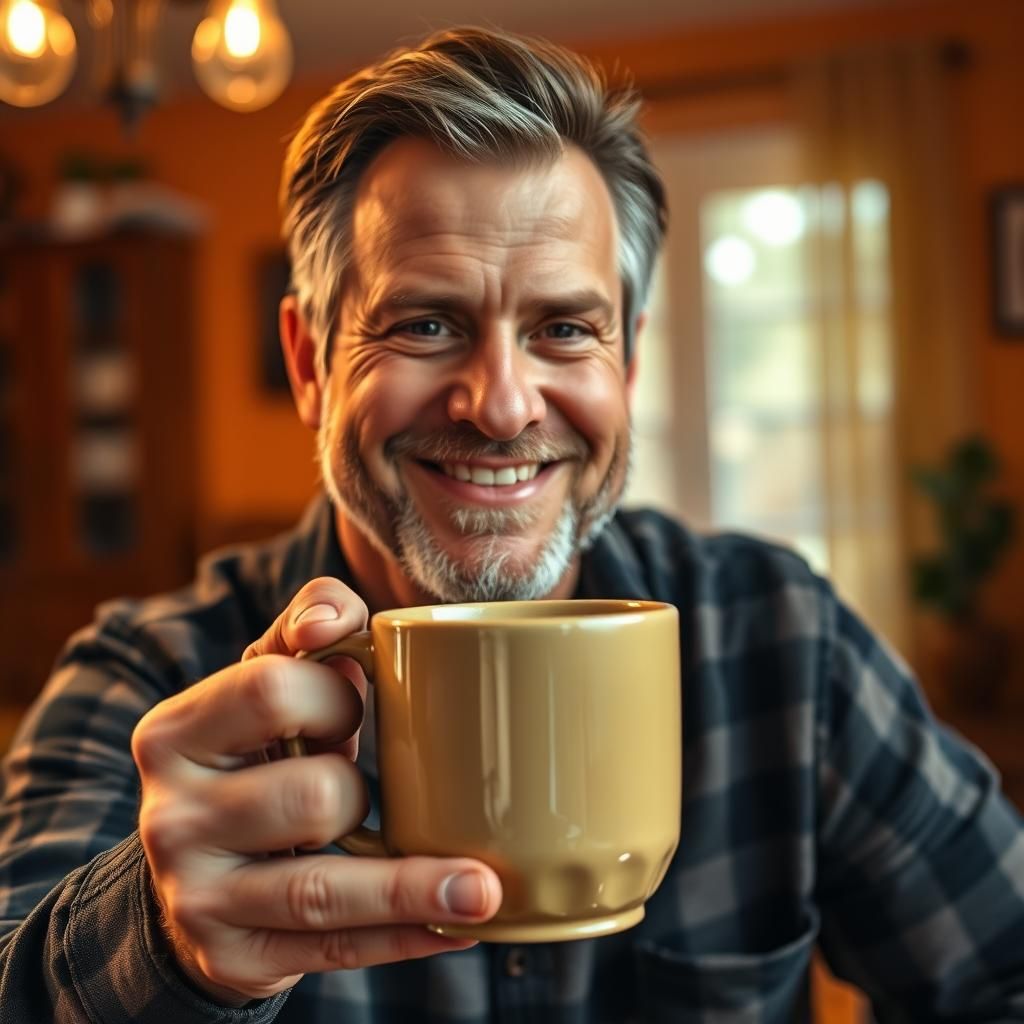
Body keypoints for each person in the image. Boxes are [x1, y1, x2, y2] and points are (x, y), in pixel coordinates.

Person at [1, 25, 1023, 1024]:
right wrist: (162, 945)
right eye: (426, 323)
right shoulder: (147, 679)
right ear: (311, 363)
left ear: (626, 365)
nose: (500, 405)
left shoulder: (778, 636)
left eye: (564, 329)